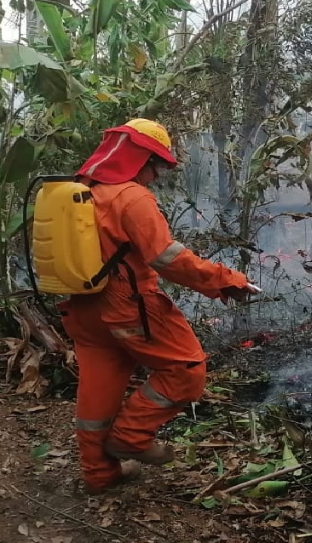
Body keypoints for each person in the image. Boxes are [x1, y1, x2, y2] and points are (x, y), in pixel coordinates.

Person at [60, 119, 257, 495]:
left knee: (99, 390)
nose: (156, 175)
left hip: (82, 310)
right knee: (187, 369)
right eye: (158, 166)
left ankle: (99, 475)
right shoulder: (131, 197)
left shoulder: (77, 191)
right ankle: (130, 438)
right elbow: (168, 258)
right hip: (126, 306)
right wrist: (226, 280)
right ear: (141, 159)